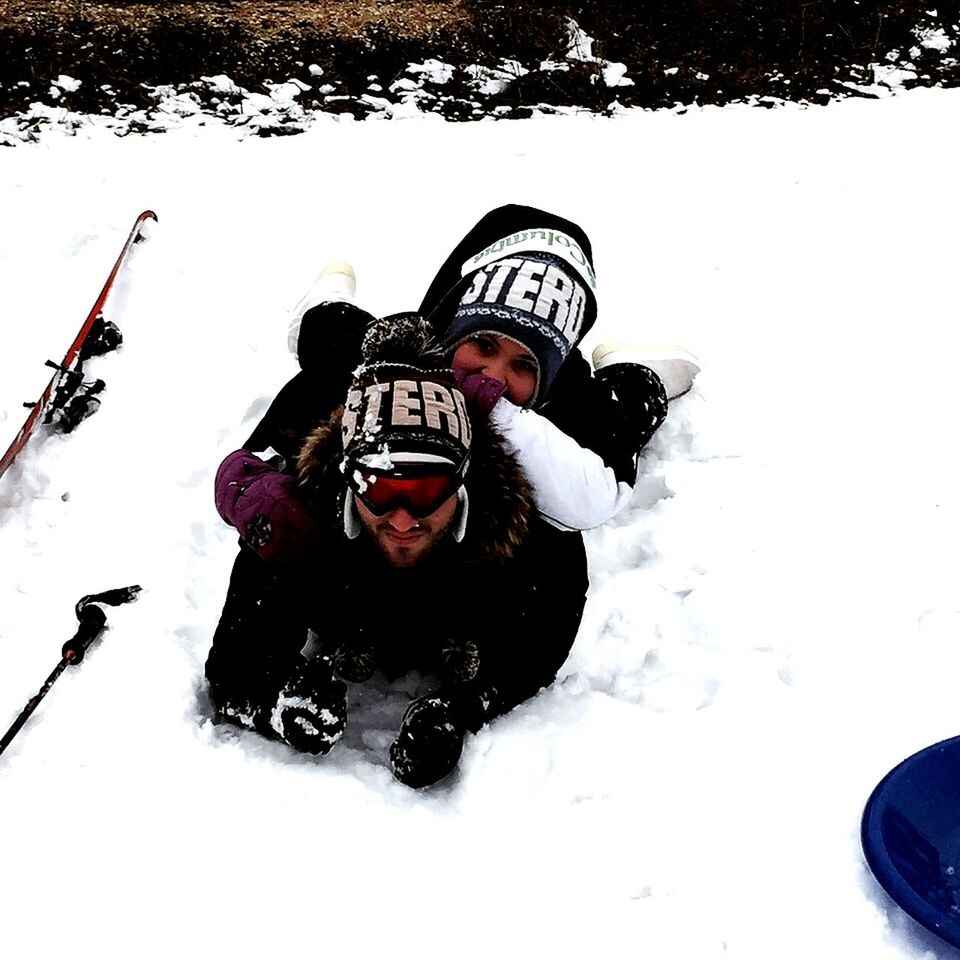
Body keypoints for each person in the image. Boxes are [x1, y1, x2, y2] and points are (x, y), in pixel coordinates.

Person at [206, 316, 588, 787]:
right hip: (339, 374)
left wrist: (463, 708)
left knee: (592, 416)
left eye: (427, 491)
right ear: (348, 481)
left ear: (463, 484)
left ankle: (633, 378)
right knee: (337, 335)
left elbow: (541, 645)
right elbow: (235, 664)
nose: (404, 520)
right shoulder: (300, 520)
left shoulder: (525, 531)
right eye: (380, 487)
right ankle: (325, 308)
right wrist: (276, 706)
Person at [245, 205, 699, 537]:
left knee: (624, 404)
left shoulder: (564, 396)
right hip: (410, 341)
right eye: (482, 346)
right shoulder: (406, 352)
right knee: (335, 332)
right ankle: (320, 306)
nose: (494, 374)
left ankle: (633, 366)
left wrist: (500, 413)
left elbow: (592, 497)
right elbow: (307, 400)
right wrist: (258, 469)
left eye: (522, 365)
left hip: (579, 387)